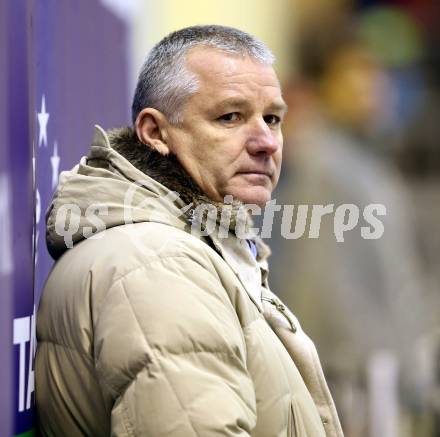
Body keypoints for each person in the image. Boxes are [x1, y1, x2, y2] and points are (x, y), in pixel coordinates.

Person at [36, 25, 343, 436]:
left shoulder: (189, 246)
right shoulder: (158, 263)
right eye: (230, 116)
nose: (266, 141)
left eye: (272, 118)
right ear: (155, 132)